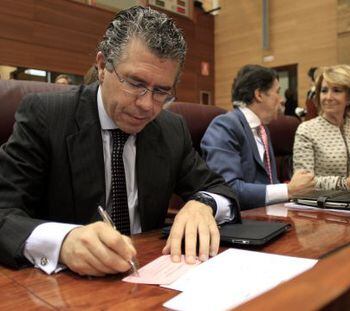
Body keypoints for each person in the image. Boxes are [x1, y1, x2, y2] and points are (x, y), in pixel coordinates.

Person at [0, 6, 239, 277]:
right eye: (135, 83)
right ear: (102, 67)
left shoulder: (171, 129)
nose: (147, 105)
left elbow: (220, 189)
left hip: (154, 274)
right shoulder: (46, 116)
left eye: (161, 91)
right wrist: (63, 241)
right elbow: (4, 212)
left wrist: (203, 204)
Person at [201, 65, 315, 210]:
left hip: (270, 215)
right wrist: (288, 190)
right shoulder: (225, 125)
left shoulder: (263, 129)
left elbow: (270, 182)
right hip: (244, 223)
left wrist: (296, 188)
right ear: (259, 95)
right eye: (277, 92)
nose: (282, 100)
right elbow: (227, 189)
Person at [293, 64, 350, 191]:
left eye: (336, 90)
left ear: (349, 98)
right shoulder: (307, 130)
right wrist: (346, 184)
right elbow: (303, 182)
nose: (328, 97)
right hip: (321, 204)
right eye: (324, 91)